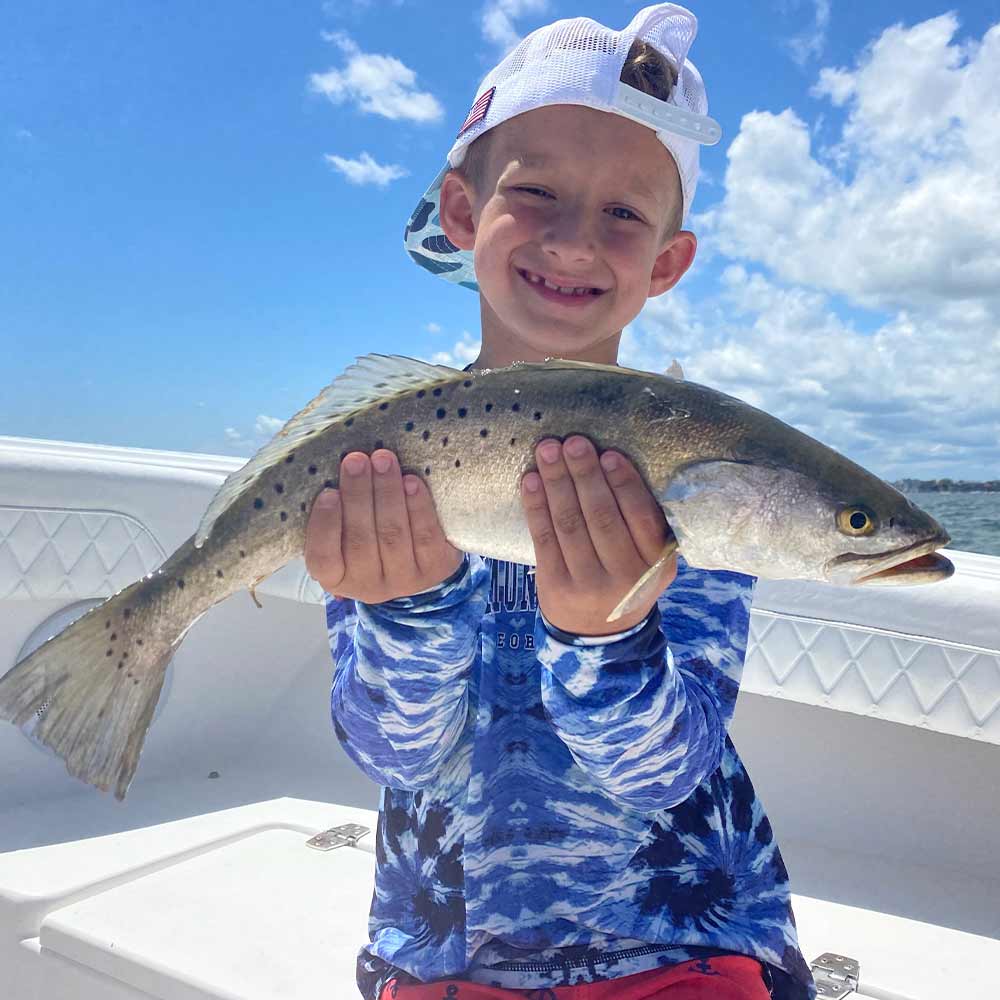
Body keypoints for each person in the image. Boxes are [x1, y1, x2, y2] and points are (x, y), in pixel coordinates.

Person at [305, 5, 815, 999]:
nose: (577, 240)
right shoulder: (384, 463)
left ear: (667, 262)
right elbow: (390, 749)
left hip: (680, 947)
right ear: (461, 213)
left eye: (626, 213)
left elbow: (666, 770)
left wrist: (602, 636)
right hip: (441, 954)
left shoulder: (709, 479)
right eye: (536, 192)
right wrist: (406, 611)